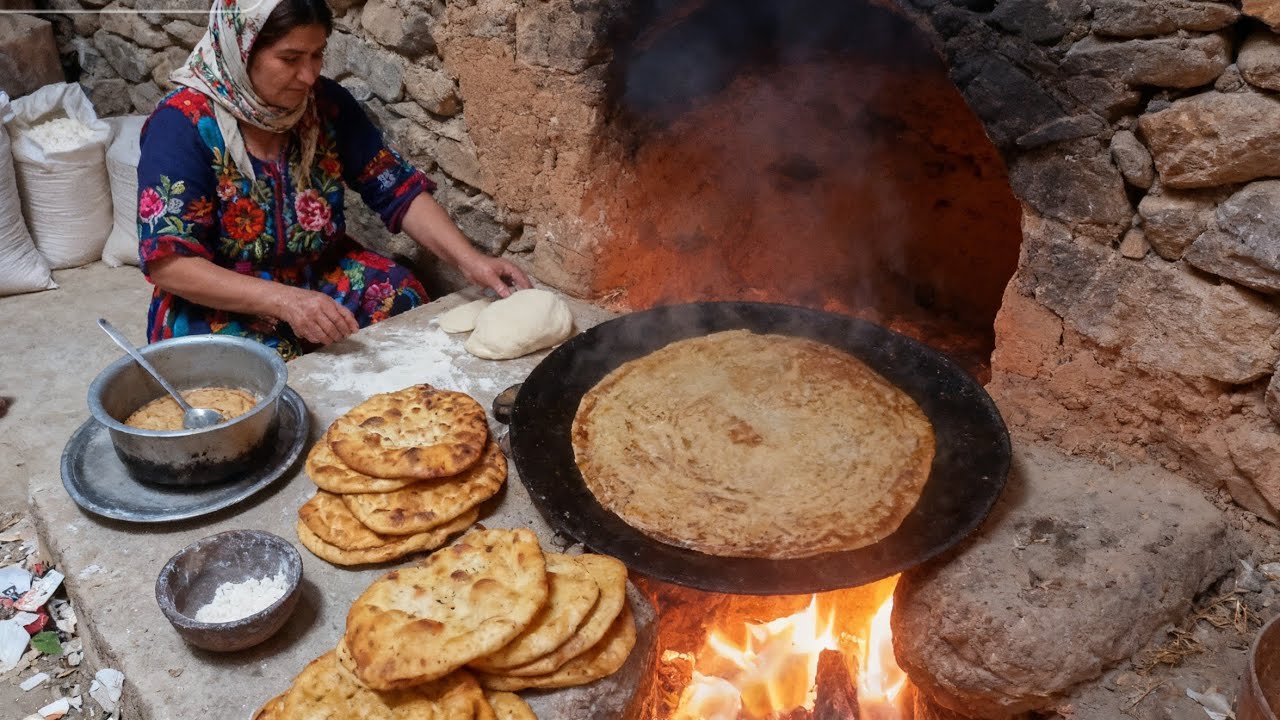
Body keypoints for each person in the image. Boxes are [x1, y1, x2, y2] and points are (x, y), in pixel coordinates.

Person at [136, 0, 531, 360]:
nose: (309, 76)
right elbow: (169, 264)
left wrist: (470, 260)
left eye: (317, 54)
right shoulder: (182, 125)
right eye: (290, 58)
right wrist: (285, 301)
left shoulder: (326, 105)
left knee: (400, 295)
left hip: (319, 273)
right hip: (224, 296)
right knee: (264, 372)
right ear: (240, 51)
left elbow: (396, 189)